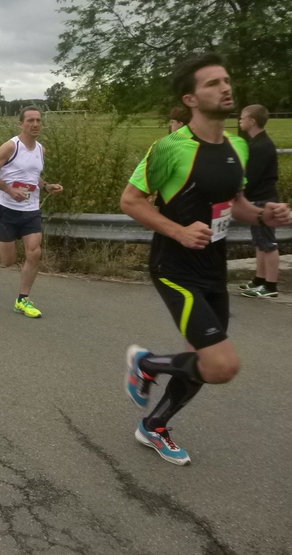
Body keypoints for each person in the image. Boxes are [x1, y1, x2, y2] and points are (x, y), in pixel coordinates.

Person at [121, 53, 291, 465]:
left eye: (226, 80)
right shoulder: (170, 148)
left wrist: (263, 215)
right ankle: (146, 363)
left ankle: (154, 426)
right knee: (221, 365)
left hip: (213, 269)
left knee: (200, 359)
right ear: (191, 99)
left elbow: (237, 204)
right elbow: (131, 201)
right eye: (213, 83)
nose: (225, 87)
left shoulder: (237, 146)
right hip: (175, 268)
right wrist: (178, 230)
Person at [0, 107, 63, 319]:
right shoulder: (11, 146)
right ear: (21, 124)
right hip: (5, 208)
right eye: (30, 120)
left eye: (38, 120)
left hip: (30, 209)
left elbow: (33, 176)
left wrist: (46, 186)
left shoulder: (41, 150)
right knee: (7, 261)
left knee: (34, 253)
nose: (35, 124)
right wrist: (9, 190)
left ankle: (22, 299)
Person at [238, 104, 281, 298]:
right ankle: (259, 279)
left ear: (252, 121)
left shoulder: (261, 146)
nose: (240, 120)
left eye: (243, 117)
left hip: (264, 200)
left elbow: (251, 177)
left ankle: (270, 286)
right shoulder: (256, 143)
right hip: (258, 199)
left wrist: (239, 195)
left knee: (268, 243)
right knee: (259, 242)